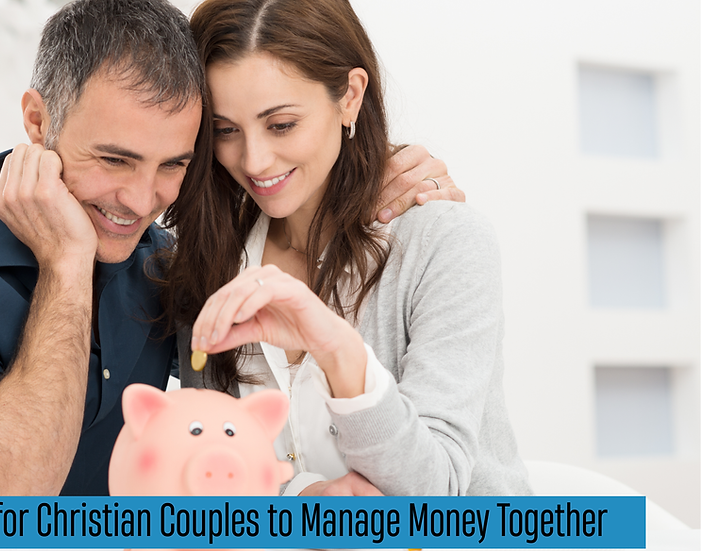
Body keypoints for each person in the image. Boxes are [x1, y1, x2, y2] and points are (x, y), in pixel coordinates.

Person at [0, 0, 454, 497]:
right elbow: (6, 506)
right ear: (37, 120)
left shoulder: (163, 267)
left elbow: (237, 435)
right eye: (114, 159)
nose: (139, 199)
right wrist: (66, 263)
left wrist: (374, 171)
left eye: (173, 164)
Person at [163, 0, 531, 497]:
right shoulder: (209, 260)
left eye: (282, 124)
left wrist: (339, 351)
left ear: (350, 97)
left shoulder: (444, 243)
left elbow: (436, 491)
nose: (253, 159)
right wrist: (301, 497)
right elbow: (212, 473)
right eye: (226, 131)